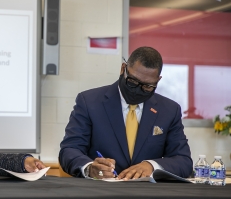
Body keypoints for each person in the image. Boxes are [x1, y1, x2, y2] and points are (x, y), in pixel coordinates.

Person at [59, 46, 192, 180]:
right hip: (100, 193)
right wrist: (89, 168)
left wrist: (151, 166)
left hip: (149, 196)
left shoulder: (169, 110)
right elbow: (69, 150)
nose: (137, 90)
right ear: (123, 69)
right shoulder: (89, 102)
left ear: (158, 80)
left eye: (147, 86)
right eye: (133, 81)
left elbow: (183, 161)